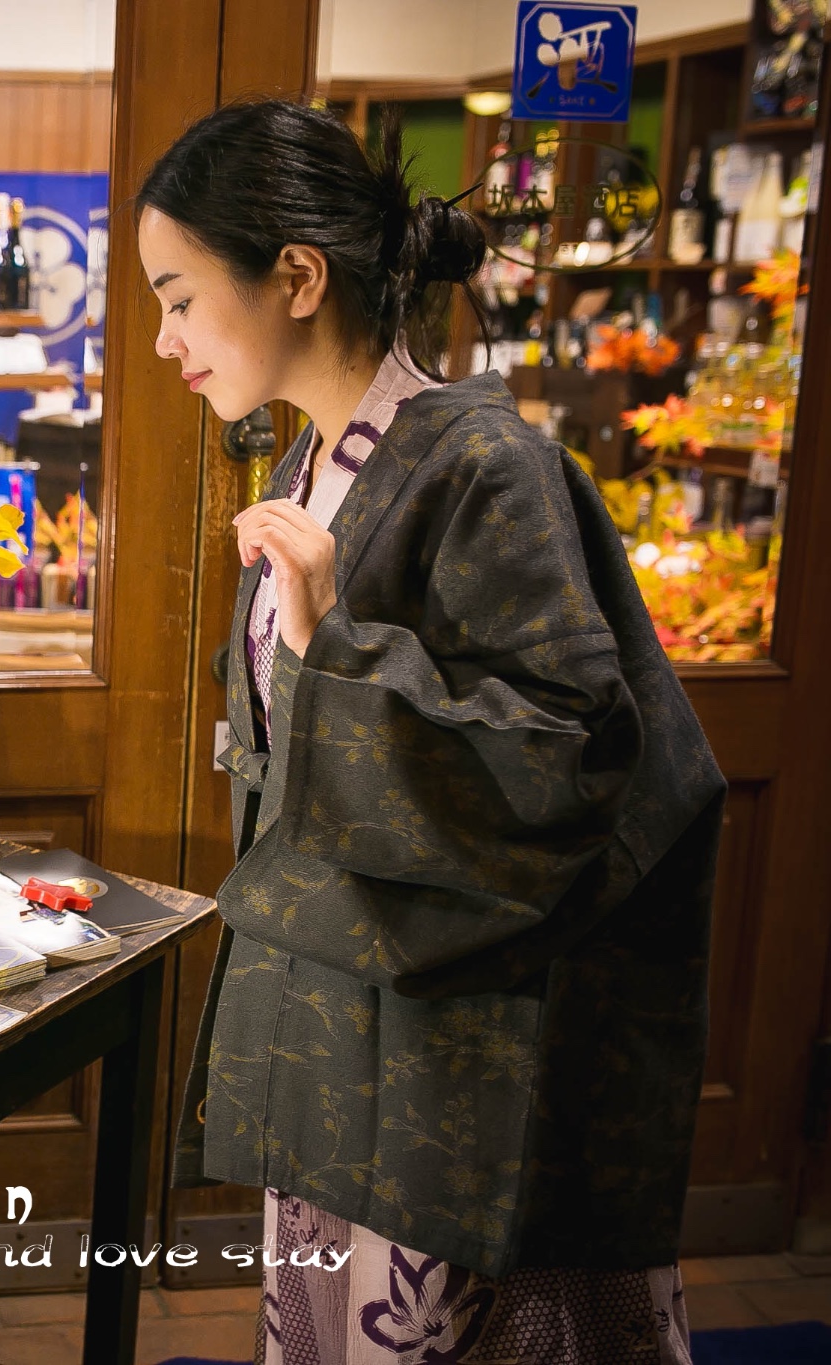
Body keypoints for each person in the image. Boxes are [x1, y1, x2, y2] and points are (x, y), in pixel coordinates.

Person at [136, 99, 725, 1363]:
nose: (161, 338)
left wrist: (329, 649)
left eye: (179, 299)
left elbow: (564, 758)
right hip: (343, 1013)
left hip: (450, 1048)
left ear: (295, 277)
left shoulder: (484, 465)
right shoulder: (309, 464)